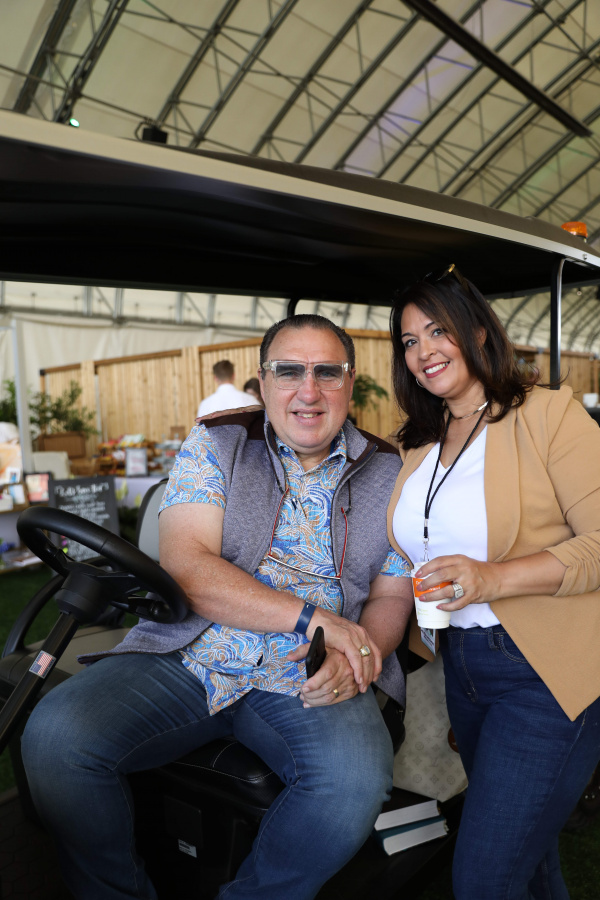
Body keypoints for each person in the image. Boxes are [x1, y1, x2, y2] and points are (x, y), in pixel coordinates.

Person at [21, 313, 413, 900]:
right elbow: (187, 566)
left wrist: (362, 650)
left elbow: (391, 592)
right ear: (263, 381)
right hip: (191, 651)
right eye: (289, 371)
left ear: (350, 382)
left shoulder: (392, 472)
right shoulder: (216, 442)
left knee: (353, 783)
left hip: (306, 673)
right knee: (55, 738)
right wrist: (316, 619)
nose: (308, 391)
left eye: (327, 372)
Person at [387, 263, 600, 900]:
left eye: (438, 331)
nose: (424, 351)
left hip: (545, 672)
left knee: (483, 878)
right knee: (529, 861)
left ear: (478, 331)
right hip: (463, 668)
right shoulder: (419, 442)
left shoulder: (548, 415)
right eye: (409, 341)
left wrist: (493, 579)